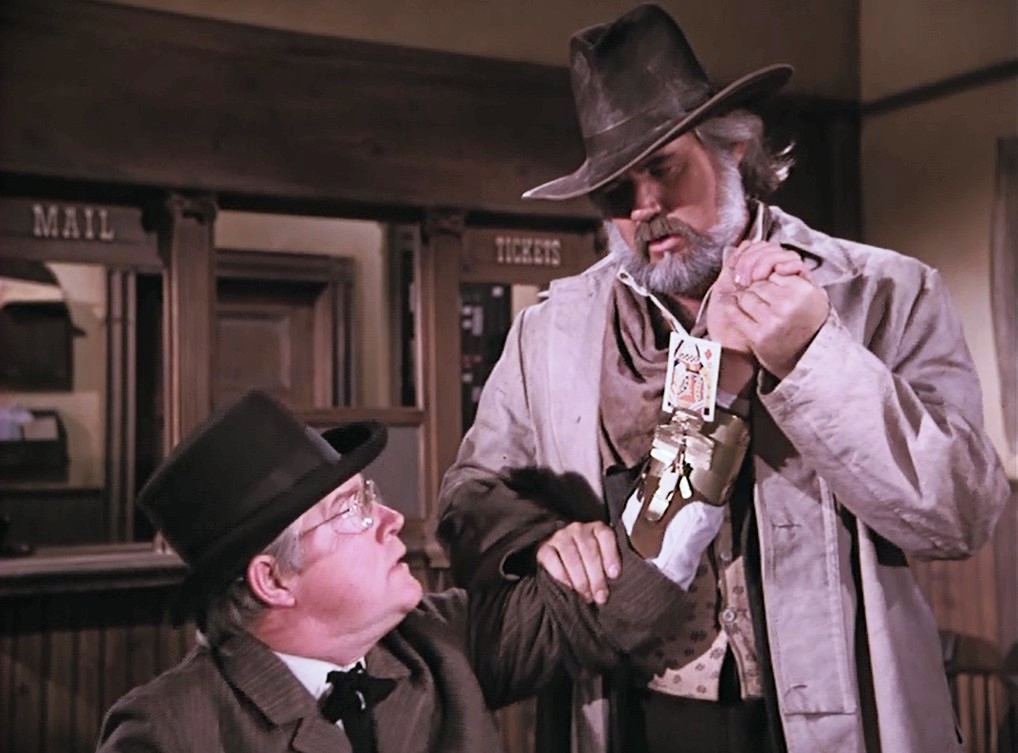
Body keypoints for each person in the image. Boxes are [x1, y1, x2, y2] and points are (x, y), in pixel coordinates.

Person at [438, 5, 1010, 753]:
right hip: (631, 713)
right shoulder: (552, 331)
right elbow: (470, 497)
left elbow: (962, 513)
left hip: (833, 719)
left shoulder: (883, 293)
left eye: (664, 169)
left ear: (733, 148)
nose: (645, 208)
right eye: (616, 191)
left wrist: (811, 354)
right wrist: (537, 538)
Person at [97, 389, 718, 753]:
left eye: (370, 496)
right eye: (351, 511)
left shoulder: (438, 641)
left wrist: (710, 386)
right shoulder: (167, 733)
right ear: (273, 580)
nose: (391, 520)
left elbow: (624, 592)